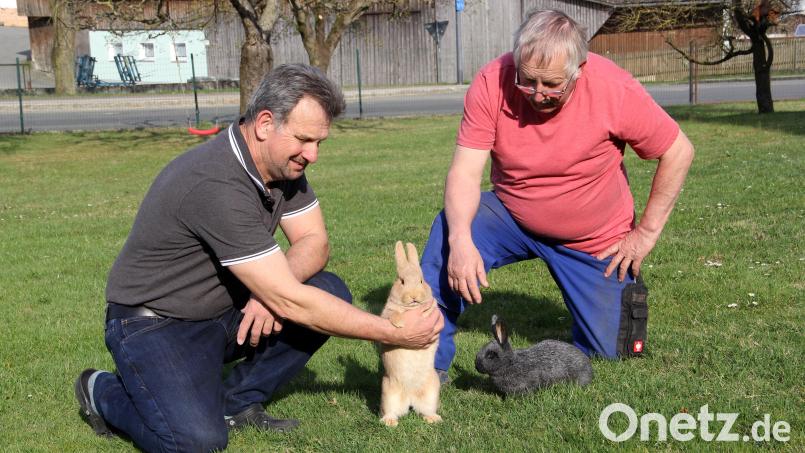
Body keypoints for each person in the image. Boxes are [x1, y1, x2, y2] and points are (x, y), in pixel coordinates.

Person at [74, 64, 443, 452]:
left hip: (225, 310)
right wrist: (391, 332)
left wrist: (270, 291)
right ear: (266, 123)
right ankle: (103, 390)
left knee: (328, 289)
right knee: (195, 442)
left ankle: (235, 402)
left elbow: (315, 242)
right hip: (154, 324)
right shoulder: (215, 183)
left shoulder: (282, 166)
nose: (313, 155)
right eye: (304, 139)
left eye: (320, 142)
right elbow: (292, 299)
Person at [420, 9, 694, 383]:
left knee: (610, 355)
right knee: (447, 237)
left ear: (578, 69)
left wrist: (644, 234)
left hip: (594, 239)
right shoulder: (490, 82)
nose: (536, 94)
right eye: (527, 80)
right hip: (513, 216)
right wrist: (461, 240)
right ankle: (426, 366)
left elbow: (678, 151)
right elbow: (465, 172)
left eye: (551, 85)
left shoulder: (613, 89)